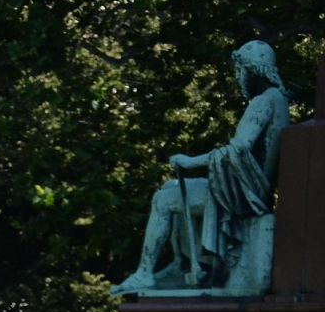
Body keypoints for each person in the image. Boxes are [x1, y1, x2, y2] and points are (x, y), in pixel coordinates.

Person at [111, 40, 291, 295]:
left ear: (253, 70)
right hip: (249, 188)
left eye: (240, 71)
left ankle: (144, 274)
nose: (238, 77)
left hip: (243, 193)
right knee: (170, 186)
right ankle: (181, 264)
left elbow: (237, 149)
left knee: (163, 200)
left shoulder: (262, 102)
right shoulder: (279, 100)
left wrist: (190, 161)